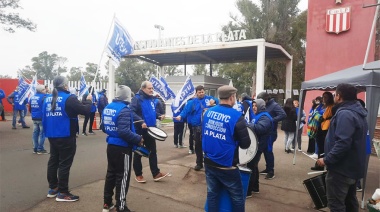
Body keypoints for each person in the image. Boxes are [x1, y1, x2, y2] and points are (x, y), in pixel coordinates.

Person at [316, 83, 367, 211]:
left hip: (341, 170)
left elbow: (343, 143)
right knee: (350, 202)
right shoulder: (357, 112)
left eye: (335, 94)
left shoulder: (345, 114)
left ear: (338, 96)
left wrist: (327, 159)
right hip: (351, 167)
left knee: (336, 204)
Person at [43, 76, 92, 202]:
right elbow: (85, 111)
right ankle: (63, 192)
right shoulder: (69, 98)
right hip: (65, 134)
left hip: (51, 134)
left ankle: (53, 188)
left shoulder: (47, 98)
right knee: (64, 163)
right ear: (65, 86)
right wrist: (88, 101)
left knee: (53, 161)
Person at [202, 85, 250, 212]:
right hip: (227, 165)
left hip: (209, 162)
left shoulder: (208, 112)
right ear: (232, 97)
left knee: (212, 194)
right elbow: (246, 144)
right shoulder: (237, 116)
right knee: (237, 197)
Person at [102, 85, 144, 212]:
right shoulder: (124, 110)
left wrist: (113, 133)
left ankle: (107, 203)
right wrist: (138, 139)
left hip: (111, 145)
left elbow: (103, 127)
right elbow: (124, 131)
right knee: (123, 176)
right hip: (122, 148)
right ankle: (121, 206)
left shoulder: (108, 107)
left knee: (111, 174)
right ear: (127, 96)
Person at [131, 81, 168, 183]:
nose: (152, 90)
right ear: (143, 89)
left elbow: (151, 112)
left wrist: (158, 115)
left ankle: (156, 173)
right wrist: (141, 121)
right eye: (149, 88)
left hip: (151, 130)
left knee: (152, 152)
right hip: (139, 131)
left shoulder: (151, 99)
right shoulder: (137, 99)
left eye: (152, 88)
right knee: (139, 152)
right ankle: (138, 175)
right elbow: (131, 112)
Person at [174, 85, 218, 171]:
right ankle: (199, 163)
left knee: (209, 145)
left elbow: (218, 101)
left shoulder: (209, 98)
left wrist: (214, 101)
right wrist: (180, 116)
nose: (201, 93)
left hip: (208, 126)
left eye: (202, 92)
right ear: (196, 93)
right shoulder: (192, 102)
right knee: (198, 145)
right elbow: (185, 110)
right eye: (199, 92)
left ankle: (209, 163)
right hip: (197, 126)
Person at [256, 92, 286, 179]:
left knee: (268, 151)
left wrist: (272, 120)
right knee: (264, 151)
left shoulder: (274, 105)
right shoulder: (266, 105)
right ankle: (268, 168)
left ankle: (271, 171)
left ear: (266, 99)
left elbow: (283, 115)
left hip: (270, 133)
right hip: (264, 133)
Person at [246, 99, 273, 197]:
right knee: (253, 166)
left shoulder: (265, 117)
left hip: (259, 145)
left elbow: (260, 128)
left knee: (250, 167)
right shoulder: (259, 115)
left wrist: (247, 124)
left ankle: (248, 191)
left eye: (256, 106)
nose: (254, 107)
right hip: (257, 144)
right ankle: (255, 188)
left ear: (261, 106)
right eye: (253, 105)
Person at [311, 91, 334, 171]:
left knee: (323, 148)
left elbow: (328, 117)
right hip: (322, 127)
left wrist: (321, 117)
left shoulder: (332, 106)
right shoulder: (325, 106)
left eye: (325, 97)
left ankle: (321, 165)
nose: (323, 99)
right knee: (320, 147)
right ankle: (319, 165)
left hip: (326, 128)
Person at [29, 85, 48, 154]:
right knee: (42, 133)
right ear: (42, 90)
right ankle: (40, 149)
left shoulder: (32, 97)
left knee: (35, 133)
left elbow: (30, 108)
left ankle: (35, 148)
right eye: (44, 89)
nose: (46, 90)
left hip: (34, 117)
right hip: (41, 117)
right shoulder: (43, 97)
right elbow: (45, 107)